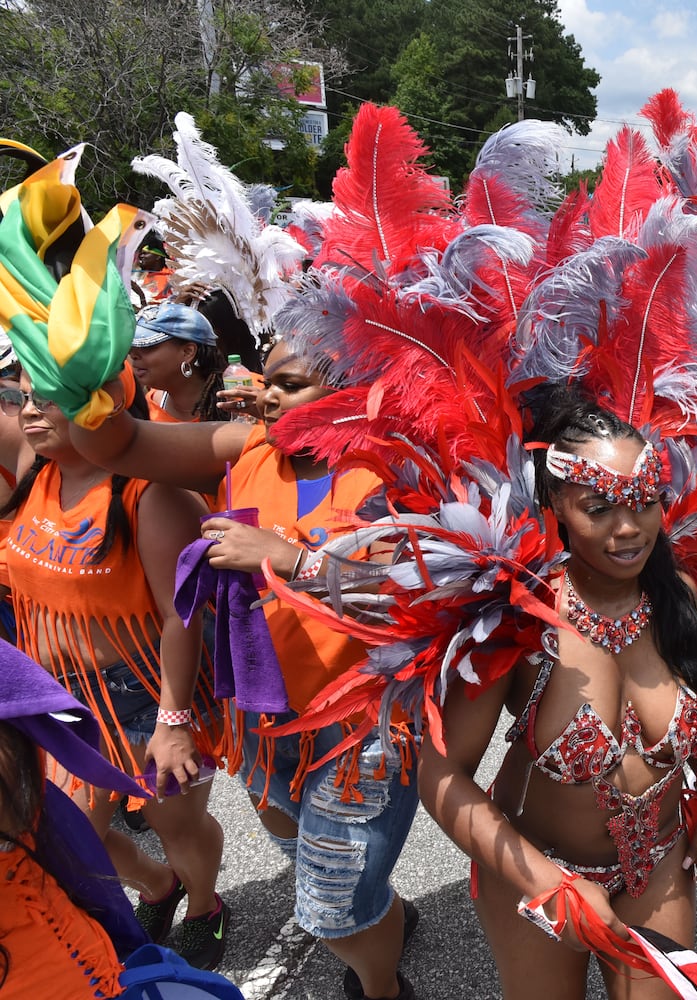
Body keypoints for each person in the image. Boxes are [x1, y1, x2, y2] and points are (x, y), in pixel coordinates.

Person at [68, 340, 417, 1000]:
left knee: (331, 911)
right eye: (269, 380)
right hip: (261, 720)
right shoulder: (249, 445)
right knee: (318, 867)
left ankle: (381, 987)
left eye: (291, 383)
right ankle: (379, 917)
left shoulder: (391, 473)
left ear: (347, 392)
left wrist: (294, 560)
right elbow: (118, 447)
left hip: (359, 733)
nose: (270, 394)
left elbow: (423, 591)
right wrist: (77, 375)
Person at [417, 392, 697, 999]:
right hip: (539, 871)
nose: (628, 529)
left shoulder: (679, 598)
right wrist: (548, 882)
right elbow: (438, 769)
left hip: (660, 863)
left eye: (645, 504)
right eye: (599, 508)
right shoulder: (518, 621)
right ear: (555, 504)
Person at [0, 372, 228, 968]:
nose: (29, 412)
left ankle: (204, 903)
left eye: (49, 400)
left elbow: (182, 618)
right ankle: (158, 884)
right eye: (24, 398)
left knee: (177, 825)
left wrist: (172, 721)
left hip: (146, 696)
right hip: (55, 700)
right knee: (65, 833)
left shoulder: (152, 495)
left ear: (100, 407)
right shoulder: (34, 463)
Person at [129, 302, 233, 424]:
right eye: (131, 348)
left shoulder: (245, 392)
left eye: (147, 347)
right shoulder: (149, 407)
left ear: (187, 352)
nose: (133, 355)